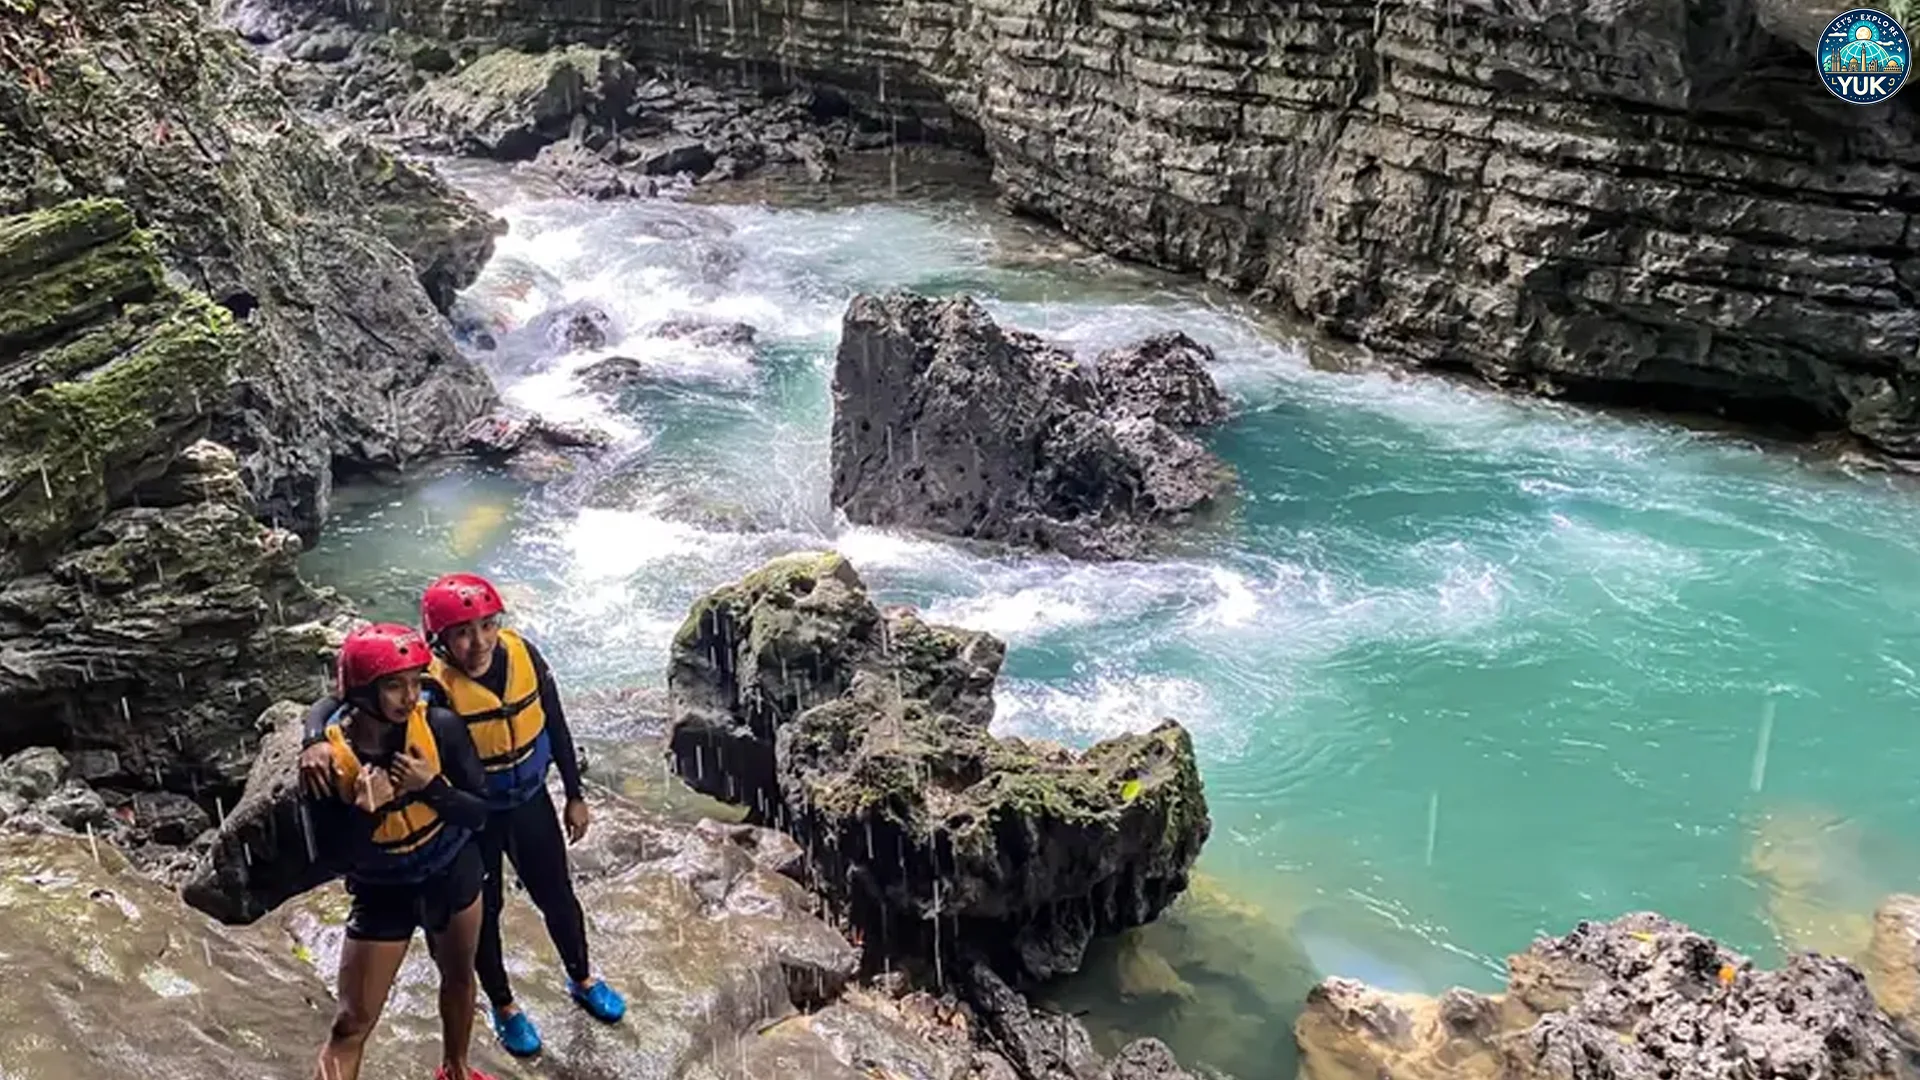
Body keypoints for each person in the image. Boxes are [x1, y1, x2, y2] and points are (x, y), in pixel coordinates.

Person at [299, 573, 624, 1059]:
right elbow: (340, 696)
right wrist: (313, 737)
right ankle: (504, 1005)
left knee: (556, 894)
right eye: (464, 633)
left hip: (527, 800)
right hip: (471, 811)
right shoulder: (424, 685)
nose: (480, 642)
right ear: (440, 640)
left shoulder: (523, 655)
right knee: (485, 913)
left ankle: (582, 977)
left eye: (488, 626)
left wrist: (574, 793)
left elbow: (554, 721)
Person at [304, 623, 496, 1080]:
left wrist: (432, 788)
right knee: (350, 1024)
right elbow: (330, 859)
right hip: (382, 890)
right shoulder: (326, 763)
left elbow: (479, 813)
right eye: (394, 685)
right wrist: (365, 812)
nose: (409, 697)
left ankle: (456, 1069)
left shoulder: (441, 727)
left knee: (459, 976)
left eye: (414, 682)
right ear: (363, 691)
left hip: (451, 869)